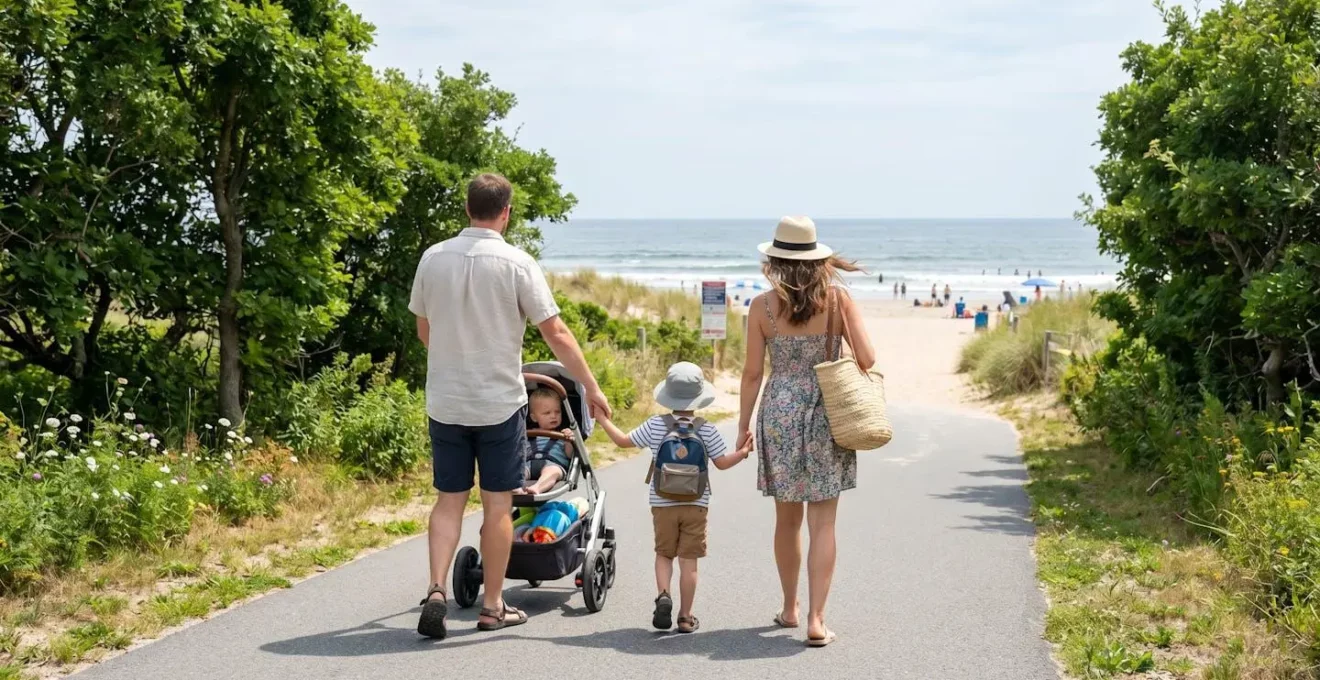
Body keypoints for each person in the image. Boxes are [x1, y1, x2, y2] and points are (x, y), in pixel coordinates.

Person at [409, 173, 612, 640]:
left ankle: (438, 589)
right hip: (499, 403)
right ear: (506, 212)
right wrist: (591, 387)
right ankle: (494, 605)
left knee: (448, 500)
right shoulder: (517, 263)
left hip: (445, 399)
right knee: (498, 505)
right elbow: (555, 333)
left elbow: (425, 330)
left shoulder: (432, 258)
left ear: (467, 208)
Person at [738, 216, 876, 648]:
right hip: (826, 413)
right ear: (818, 260)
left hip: (778, 412)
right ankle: (817, 620)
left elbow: (752, 374)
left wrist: (743, 426)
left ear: (775, 261)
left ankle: (790, 608)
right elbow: (868, 359)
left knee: (786, 519)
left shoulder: (761, 308)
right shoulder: (839, 301)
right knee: (824, 521)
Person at [596, 363, 748, 634]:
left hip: (662, 504)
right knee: (689, 561)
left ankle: (663, 594)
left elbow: (622, 441)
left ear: (668, 395)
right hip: (696, 504)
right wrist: (743, 452)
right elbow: (723, 463)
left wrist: (603, 419)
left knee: (664, 554)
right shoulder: (707, 429)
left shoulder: (656, 425)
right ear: (699, 398)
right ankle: (686, 617)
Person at [522, 388, 573, 495]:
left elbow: (570, 455)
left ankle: (538, 487)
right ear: (534, 418)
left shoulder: (563, 434)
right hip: (528, 464)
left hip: (554, 464)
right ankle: (515, 488)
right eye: (547, 413)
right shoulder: (527, 434)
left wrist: (569, 441)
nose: (553, 416)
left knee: (552, 471)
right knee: (517, 472)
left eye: (557, 412)